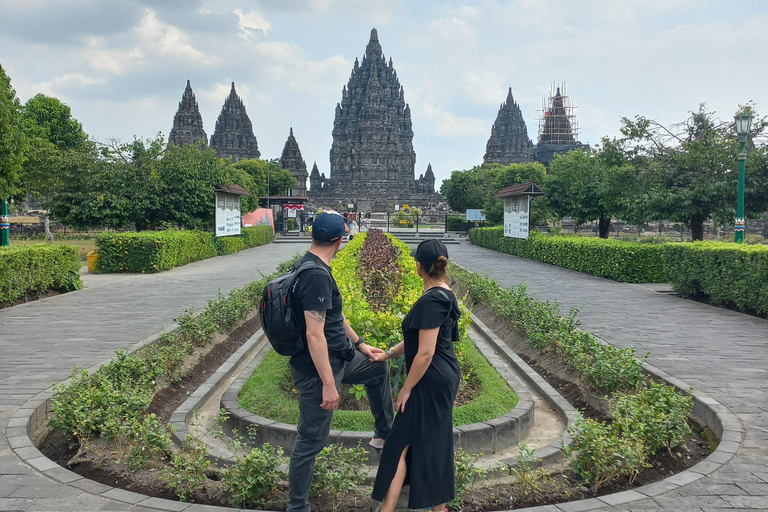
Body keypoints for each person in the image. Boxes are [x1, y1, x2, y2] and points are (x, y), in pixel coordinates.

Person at [287, 210, 394, 512]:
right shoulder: (315, 276)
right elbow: (314, 335)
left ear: (312, 235)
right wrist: (329, 386)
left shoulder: (312, 266)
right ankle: (297, 507)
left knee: (377, 366)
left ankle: (385, 432)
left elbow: (336, 316)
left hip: (341, 358)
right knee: (311, 440)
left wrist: (361, 344)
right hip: (319, 371)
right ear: (341, 239)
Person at [371, 239, 462, 512]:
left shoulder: (431, 299)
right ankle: (438, 509)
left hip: (429, 379)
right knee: (430, 442)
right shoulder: (445, 293)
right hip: (441, 377)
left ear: (418, 266)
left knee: (400, 443)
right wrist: (389, 353)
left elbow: (425, 353)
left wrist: (406, 388)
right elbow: (421, 338)